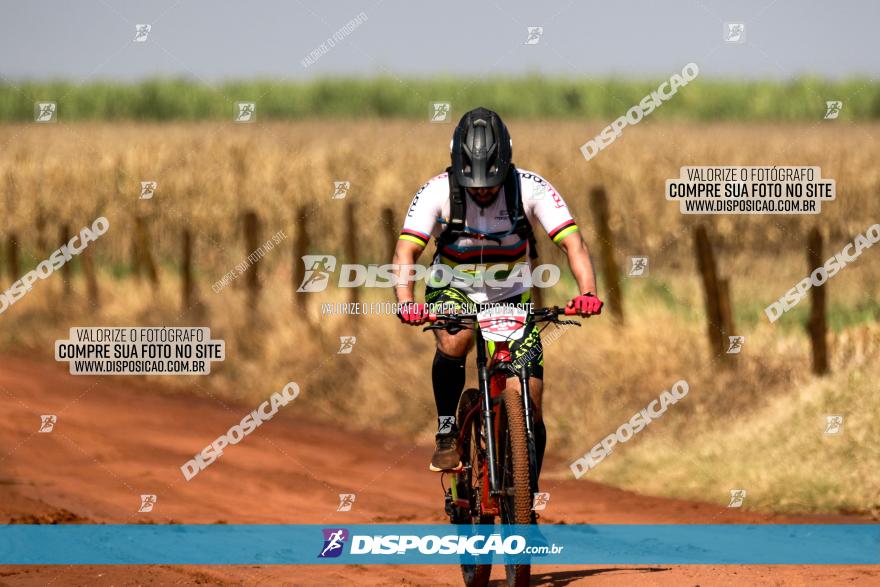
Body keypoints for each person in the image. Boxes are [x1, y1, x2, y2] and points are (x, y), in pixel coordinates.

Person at [392, 107, 603, 472]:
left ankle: (526, 499)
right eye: (473, 184)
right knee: (455, 341)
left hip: (510, 296)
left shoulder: (533, 188)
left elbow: (574, 244)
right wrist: (406, 301)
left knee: (531, 405)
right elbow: (406, 250)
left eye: (489, 182)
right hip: (452, 287)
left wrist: (587, 291)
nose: (483, 192)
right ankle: (446, 431)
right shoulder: (436, 191)